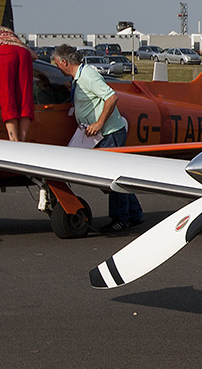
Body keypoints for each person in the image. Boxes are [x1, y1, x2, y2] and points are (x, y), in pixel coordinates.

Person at [51, 45, 143, 232]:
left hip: (109, 132)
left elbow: (111, 98)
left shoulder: (88, 76)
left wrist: (99, 123)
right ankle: (135, 214)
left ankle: (121, 220)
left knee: (112, 176)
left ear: (64, 62)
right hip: (99, 133)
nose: (56, 67)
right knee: (115, 175)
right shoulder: (79, 78)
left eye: (57, 63)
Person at [0, 25, 34, 141]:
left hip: (1, 54)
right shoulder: (8, 32)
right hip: (24, 53)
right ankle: (22, 140)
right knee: (25, 99)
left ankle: (14, 140)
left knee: (7, 98)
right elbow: (34, 55)